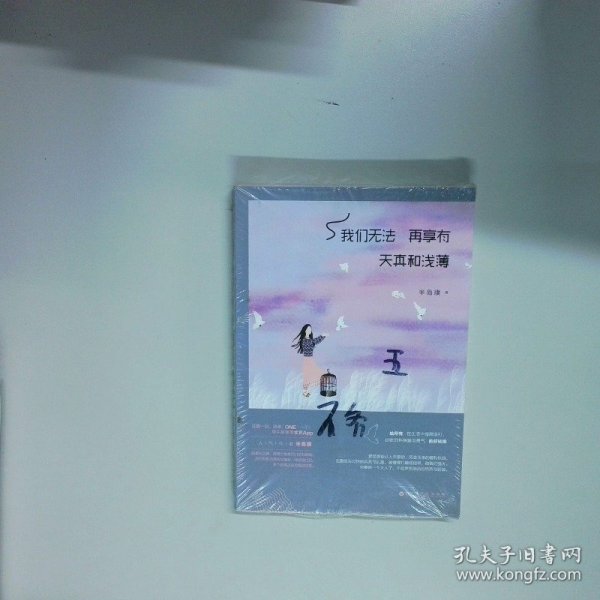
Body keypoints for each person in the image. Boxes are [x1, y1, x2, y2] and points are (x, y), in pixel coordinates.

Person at [291, 324, 328, 397]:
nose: (309, 330)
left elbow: (314, 341)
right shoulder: (305, 340)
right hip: (307, 360)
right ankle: (305, 392)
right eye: (308, 329)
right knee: (308, 376)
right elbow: (314, 341)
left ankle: (307, 391)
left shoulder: (309, 340)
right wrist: (322, 336)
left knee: (312, 375)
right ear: (305, 330)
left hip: (310, 360)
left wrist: (323, 336)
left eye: (310, 329)